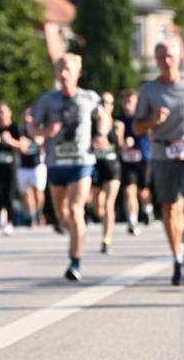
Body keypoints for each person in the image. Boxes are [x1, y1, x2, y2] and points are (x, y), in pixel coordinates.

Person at [134, 37, 184, 287]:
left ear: (178, 58)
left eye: (170, 56)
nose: (166, 61)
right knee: (169, 208)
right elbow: (137, 127)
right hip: (162, 150)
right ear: (156, 61)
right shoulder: (148, 90)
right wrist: (153, 121)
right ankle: (177, 257)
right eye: (161, 57)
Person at [31, 54, 100, 281]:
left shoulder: (89, 97)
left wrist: (101, 134)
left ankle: (75, 261)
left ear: (78, 72)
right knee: (62, 215)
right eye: (60, 69)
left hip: (82, 162)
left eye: (68, 69)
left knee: (74, 209)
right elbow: (31, 126)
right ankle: (77, 234)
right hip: (55, 162)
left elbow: (104, 117)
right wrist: (43, 132)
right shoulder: (47, 101)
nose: (63, 73)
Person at [91, 91, 124, 253]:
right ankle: (104, 223)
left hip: (112, 167)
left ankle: (106, 239)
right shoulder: (91, 125)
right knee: (98, 207)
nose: (104, 105)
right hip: (97, 166)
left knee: (109, 203)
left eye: (108, 102)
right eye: (102, 102)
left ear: (112, 106)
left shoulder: (117, 124)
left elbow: (121, 146)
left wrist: (119, 138)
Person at [118, 89, 153, 235]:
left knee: (143, 191)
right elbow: (117, 145)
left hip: (143, 158)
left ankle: (147, 208)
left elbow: (152, 134)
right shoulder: (119, 121)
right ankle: (132, 220)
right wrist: (123, 143)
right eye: (125, 101)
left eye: (130, 101)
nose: (128, 105)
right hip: (127, 160)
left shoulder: (142, 118)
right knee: (129, 190)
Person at [0, 102, 22, 235]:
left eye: (4, 112)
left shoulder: (15, 128)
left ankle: (10, 222)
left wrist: (10, 141)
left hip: (10, 166)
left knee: (9, 193)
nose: (1, 115)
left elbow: (22, 146)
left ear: (10, 113)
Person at [16, 107, 46, 227]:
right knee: (27, 194)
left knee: (38, 191)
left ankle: (39, 212)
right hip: (23, 166)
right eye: (25, 115)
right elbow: (18, 144)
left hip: (37, 165)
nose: (27, 117)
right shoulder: (19, 129)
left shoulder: (39, 128)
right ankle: (32, 216)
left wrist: (32, 130)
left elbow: (40, 141)